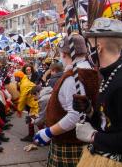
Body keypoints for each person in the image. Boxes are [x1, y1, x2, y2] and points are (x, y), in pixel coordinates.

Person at [34, 34, 99, 167]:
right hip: (81, 141)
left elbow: (75, 115)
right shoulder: (91, 71)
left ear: (64, 54)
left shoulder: (72, 78)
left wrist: (48, 132)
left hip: (70, 143)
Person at [73, 18, 122, 167]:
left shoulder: (120, 81)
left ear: (98, 47)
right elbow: (108, 122)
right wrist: (89, 110)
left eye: (90, 46)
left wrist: (94, 136)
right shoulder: (108, 75)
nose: (89, 51)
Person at [13, 71, 40, 142]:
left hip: (34, 104)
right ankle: (31, 135)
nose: (15, 79)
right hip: (33, 103)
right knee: (32, 119)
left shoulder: (24, 84)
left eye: (16, 77)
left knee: (37, 121)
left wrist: (19, 109)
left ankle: (44, 137)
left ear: (20, 77)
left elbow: (22, 98)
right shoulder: (24, 80)